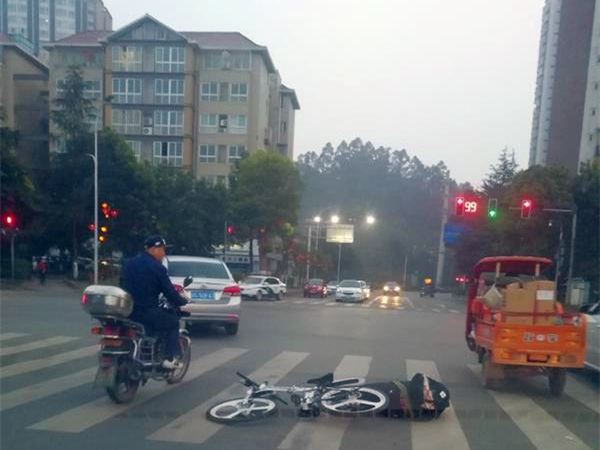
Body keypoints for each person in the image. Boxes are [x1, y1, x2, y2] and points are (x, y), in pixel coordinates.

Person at [120, 236, 188, 369]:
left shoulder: (128, 263)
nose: (164, 254)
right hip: (146, 312)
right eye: (163, 250)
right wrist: (181, 301)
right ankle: (169, 358)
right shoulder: (157, 268)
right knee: (173, 322)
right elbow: (169, 291)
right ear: (155, 249)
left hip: (127, 312)